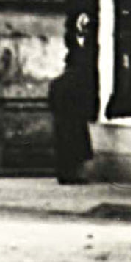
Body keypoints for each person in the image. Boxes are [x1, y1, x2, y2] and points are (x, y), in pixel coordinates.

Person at [48, 45, 94, 185]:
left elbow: (51, 103)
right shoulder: (80, 82)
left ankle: (62, 175)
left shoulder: (56, 83)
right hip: (75, 121)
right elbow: (86, 101)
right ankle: (74, 176)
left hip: (60, 120)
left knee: (63, 147)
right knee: (76, 149)